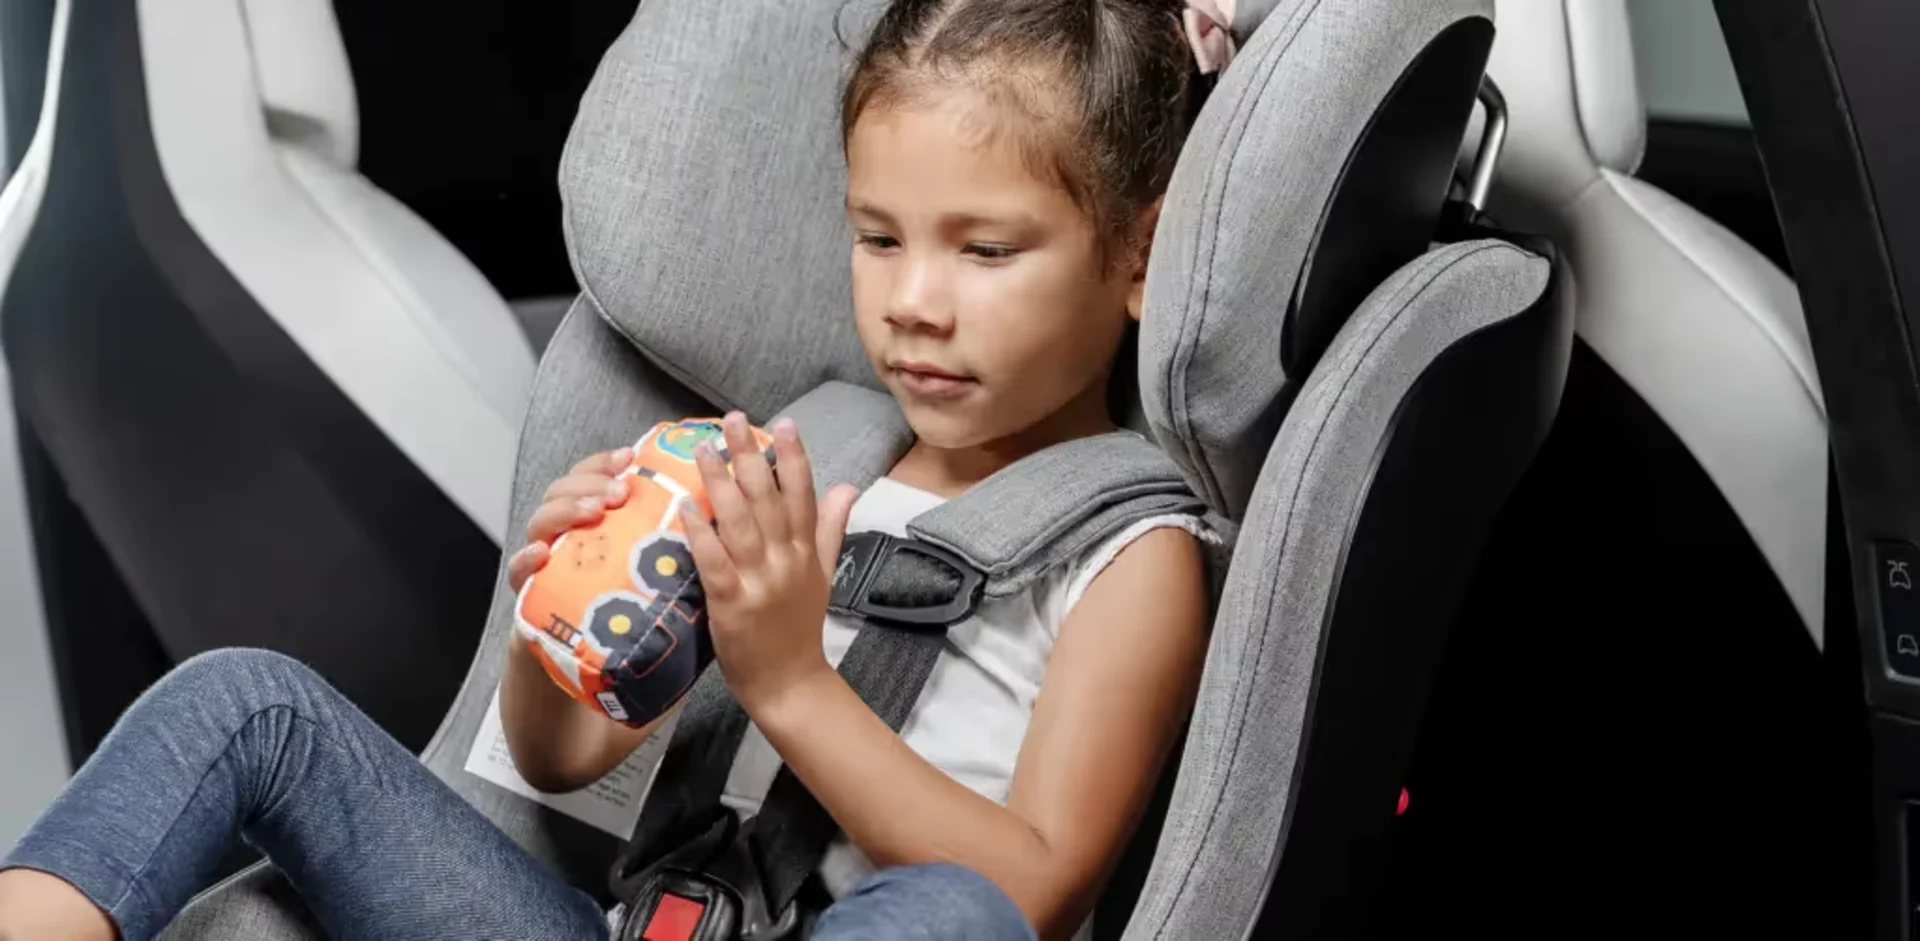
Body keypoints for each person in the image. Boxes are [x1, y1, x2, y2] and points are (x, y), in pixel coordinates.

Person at [0, 1, 1226, 938]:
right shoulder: (790, 454)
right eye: (877, 238)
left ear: (1137, 256)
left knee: (952, 917)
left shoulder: (1131, 554)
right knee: (243, 703)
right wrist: (548, 634)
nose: (913, 301)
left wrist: (792, 679)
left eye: (987, 250)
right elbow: (566, 768)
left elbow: (1034, 891)